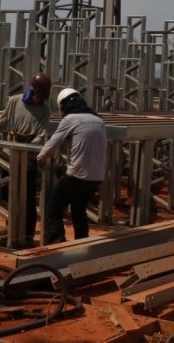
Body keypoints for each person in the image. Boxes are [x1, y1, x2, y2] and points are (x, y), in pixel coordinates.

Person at [0, 73, 53, 248]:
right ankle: (11, 228)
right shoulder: (14, 101)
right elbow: (2, 122)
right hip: (9, 153)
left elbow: (41, 135)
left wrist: (26, 147)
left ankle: (26, 235)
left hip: (28, 157)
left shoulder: (45, 109)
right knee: (6, 193)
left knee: (26, 198)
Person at [37, 87, 107, 244]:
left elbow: (53, 143)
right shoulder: (98, 120)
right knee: (78, 209)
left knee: (53, 208)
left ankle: (58, 242)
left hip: (77, 175)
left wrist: (41, 158)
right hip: (96, 177)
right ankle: (81, 243)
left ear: (63, 105)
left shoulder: (70, 119)